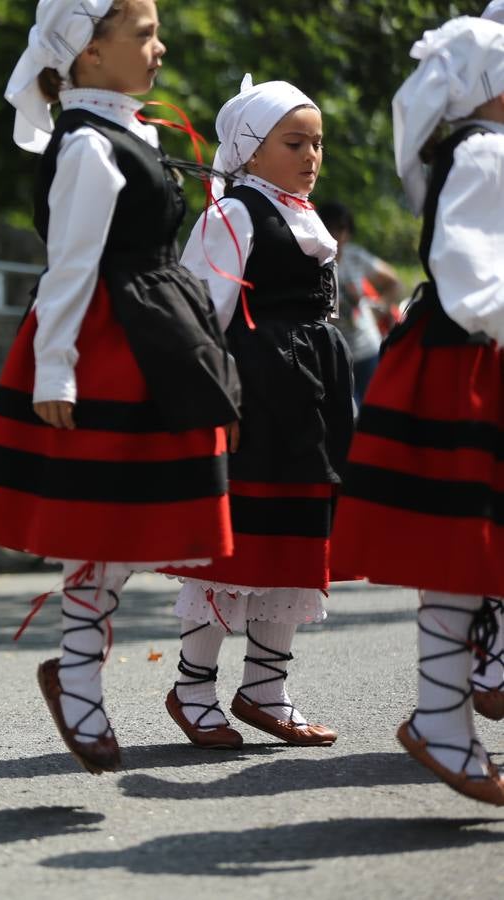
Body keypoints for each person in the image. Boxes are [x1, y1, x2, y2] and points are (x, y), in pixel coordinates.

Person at [0, 0, 240, 774]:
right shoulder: (85, 144)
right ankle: (78, 670)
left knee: (132, 523)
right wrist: (56, 367)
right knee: (99, 523)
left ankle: (77, 664)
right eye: (143, 33)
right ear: (87, 54)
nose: (160, 46)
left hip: (152, 336)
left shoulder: (129, 130)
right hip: (107, 343)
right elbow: (69, 265)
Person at [331, 16, 504, 805]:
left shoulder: (478, 151)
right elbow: (467, 276)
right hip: (469, 364)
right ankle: (444, 714)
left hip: (470, 357)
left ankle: (456, 701)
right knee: (457, 549)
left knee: (469, 551)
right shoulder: (482, 153)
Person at [160, 77, 353, 752]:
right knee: (237, 541)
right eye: (294, 142)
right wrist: (214, 398)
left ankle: (266, 687)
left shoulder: (303, 215)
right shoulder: (234, 213)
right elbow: (197, 314)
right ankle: (192, 685)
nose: (311, 155)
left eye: (317, 143)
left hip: (309, 397)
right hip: (254, 392)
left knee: (293, 536)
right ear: (247, 149)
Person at [318, 201, 405, 406]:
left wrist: (378, 307)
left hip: (367, 347)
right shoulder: (315, 259)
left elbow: (394, 281)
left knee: (372, 412)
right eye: (331, 226)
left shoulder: (355, 256)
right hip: (334, 353)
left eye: (342, 227)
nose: (337, 233)